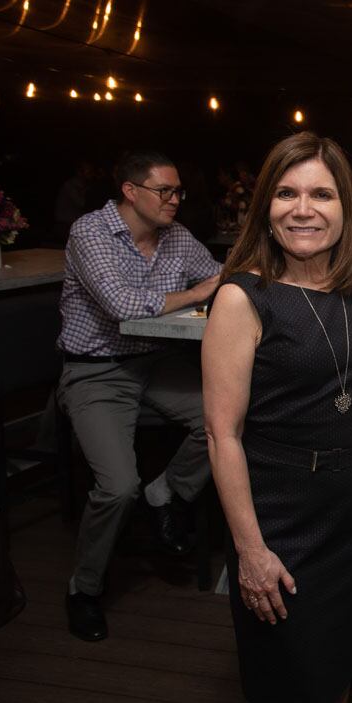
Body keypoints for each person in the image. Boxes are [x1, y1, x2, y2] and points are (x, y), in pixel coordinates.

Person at [202, 132, 352, 703]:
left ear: (346, 209)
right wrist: (250, 550)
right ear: (265, 205)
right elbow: (221, 434)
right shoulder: (243, 297)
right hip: (281, 518)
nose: (303, 209)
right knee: (294, 687)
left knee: (337, 669)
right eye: (287, 193)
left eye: (321, 195)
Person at [57, 150, 221, 642]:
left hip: (155, 364)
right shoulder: (91, 233)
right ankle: (83, 589)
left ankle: (167, 491)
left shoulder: (176, 237)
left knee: (226, 416)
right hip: (96, 372)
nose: (174, 201)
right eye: (164, 191)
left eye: (178, 192)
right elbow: (122, 305)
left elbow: (218, 271)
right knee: (117, 487)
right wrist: (199, 293)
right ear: (131, 191)